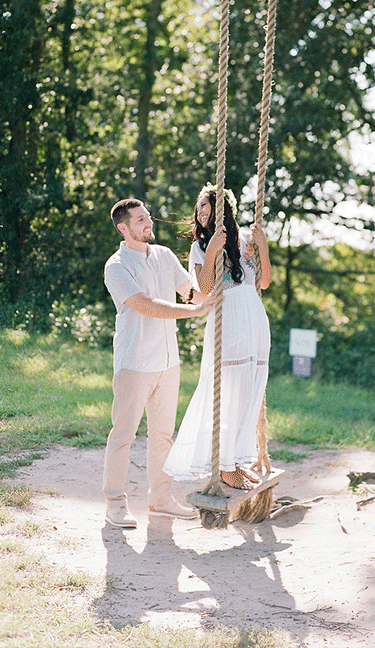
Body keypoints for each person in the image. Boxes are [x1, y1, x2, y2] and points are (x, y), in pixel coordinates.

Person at [102, 197, 214, 528]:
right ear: (124, 228)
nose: (148, 223)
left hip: (168, 362)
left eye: (148, 217)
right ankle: (115, 503)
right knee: (123, 434)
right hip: (134, 362)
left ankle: (161, 499)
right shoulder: (117, 266)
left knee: (163, 434)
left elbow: (192, 292)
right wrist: (192, 312)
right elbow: (146, 305)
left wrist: (214, 264)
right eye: (139, 221)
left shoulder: (164, 255)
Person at [164, 184, 272, 490]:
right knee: (228, 391)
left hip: (254, 317)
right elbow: (205, 289)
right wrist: (212, 249)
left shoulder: (248, 240)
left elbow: (263, 281)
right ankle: (223, 466)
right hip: (229, 319)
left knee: (250, 388)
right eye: (198, 207)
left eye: (205, 205)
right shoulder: (200, 247)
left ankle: (236, 459)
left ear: (224, 208)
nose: (200, 212)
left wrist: (263, 246)